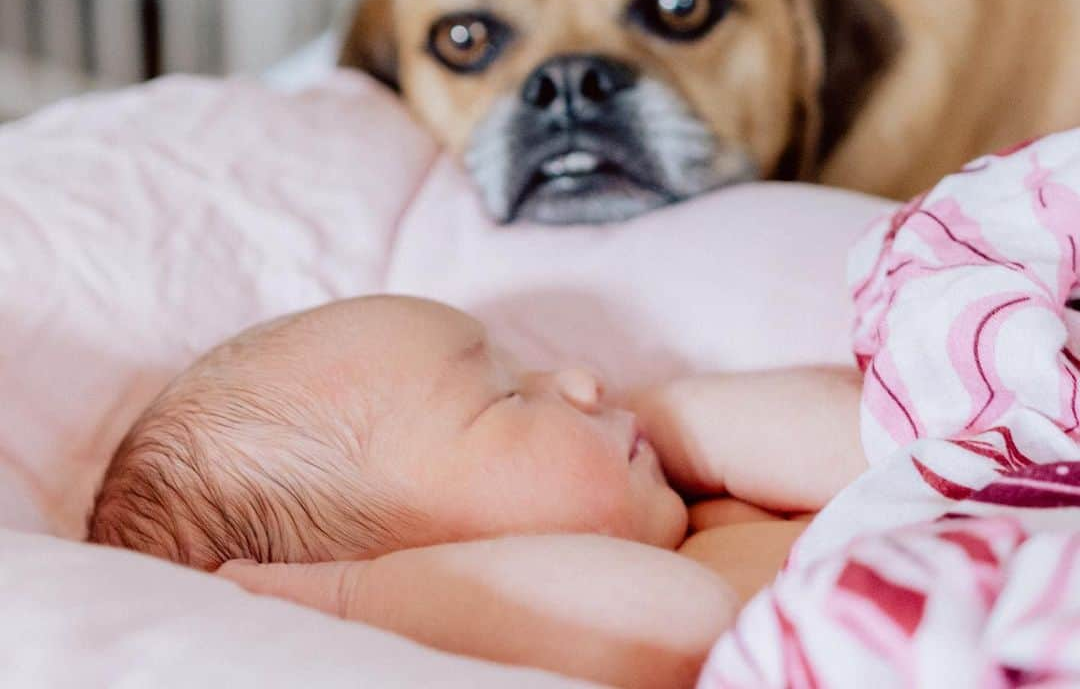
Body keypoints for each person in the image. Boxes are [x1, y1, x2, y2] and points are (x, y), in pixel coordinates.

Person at [89, 295, 864, 689]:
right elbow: (690, 617)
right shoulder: (552, 633)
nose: (583, 383)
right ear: (422, 574)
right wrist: (353, 598)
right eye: (508, 399)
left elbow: (885, 435)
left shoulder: (699, 509)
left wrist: (668, 419)